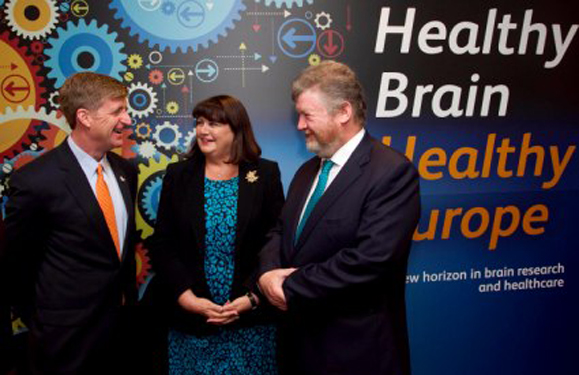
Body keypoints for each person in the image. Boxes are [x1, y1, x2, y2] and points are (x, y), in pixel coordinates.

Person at [257, 61, 421, 375]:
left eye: (307, 115)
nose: (300, 125)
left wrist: (289, 287)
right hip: (298, 349)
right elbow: (280, 232)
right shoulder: (308, 172)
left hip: (355, 355)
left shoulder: (391, 173)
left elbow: (371, 260)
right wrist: (266, 276)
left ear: (343, 112)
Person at [2, 72, 138, 375]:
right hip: (63, 341)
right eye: (117, 111)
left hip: (120, 334)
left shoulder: (125, 170)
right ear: (84, 117)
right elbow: (16, 266)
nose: (127, 120)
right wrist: (47, 320)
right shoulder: (36, 181)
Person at [148, 95, 285, 374]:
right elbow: (162, 243)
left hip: (250, 319)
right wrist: (186, 298)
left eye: (213, 123)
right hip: (191, 319)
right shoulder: (178, 174)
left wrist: (253, 298)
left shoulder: (265, 174)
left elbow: (277, 239)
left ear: (236, 129)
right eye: (199, 122)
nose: (203, 130)